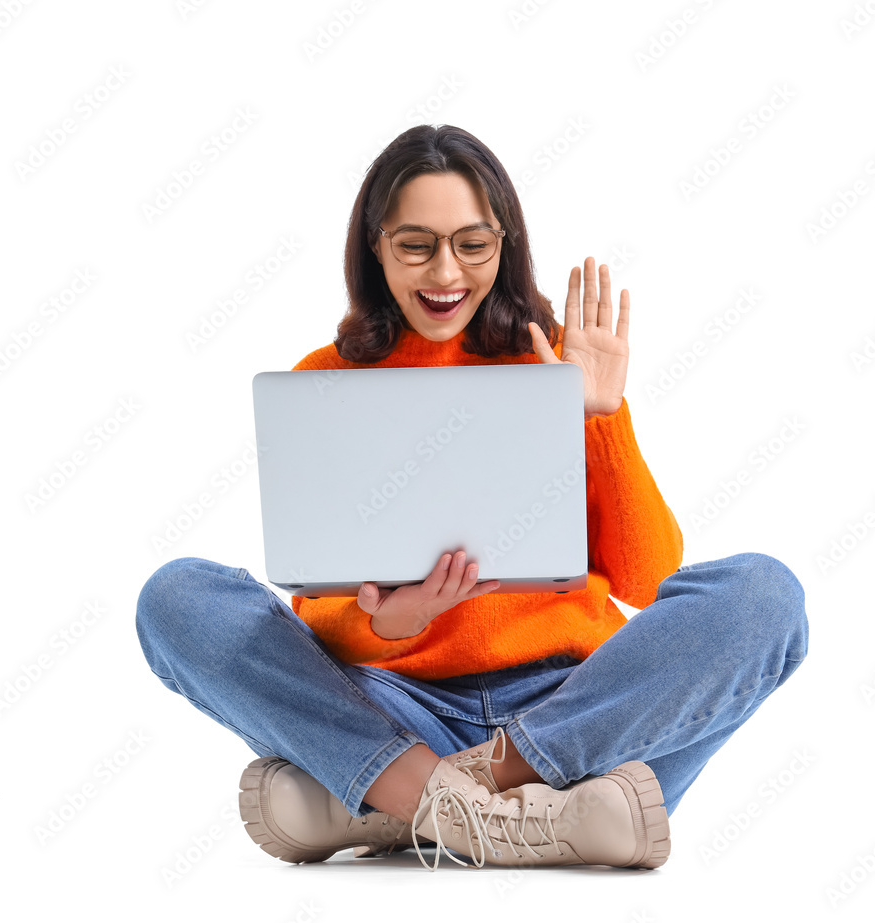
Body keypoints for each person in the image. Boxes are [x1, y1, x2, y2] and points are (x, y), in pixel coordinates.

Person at [135, 124, 809, 873]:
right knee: (179, 599)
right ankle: (559, 815)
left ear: (504, 245)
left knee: (763, 596)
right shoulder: (326, 376)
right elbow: (318, 602)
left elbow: (650, 577)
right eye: (416, 245)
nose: (445, 271)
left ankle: (408, 802)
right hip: (398, 703)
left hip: (572, 705)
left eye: (473, 244)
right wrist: (388, 622)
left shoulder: (552, 357)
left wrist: (601, 414)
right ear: (376, 247)